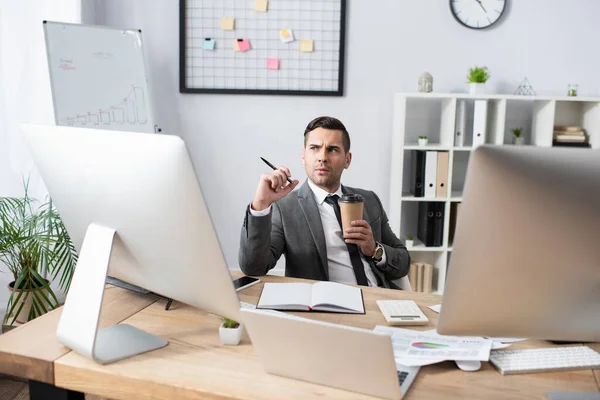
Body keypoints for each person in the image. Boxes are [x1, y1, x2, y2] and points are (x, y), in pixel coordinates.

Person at [239, 116, 410, 288]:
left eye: (333, 149)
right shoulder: (284, 207)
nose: (322, 157)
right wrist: (261, 203)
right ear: (303, 156)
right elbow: (253, 267)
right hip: (325, 306)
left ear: (347, 160)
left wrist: (374, 249)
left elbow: (403, 263)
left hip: (376, 298)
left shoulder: (370, 200)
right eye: (314, 148)